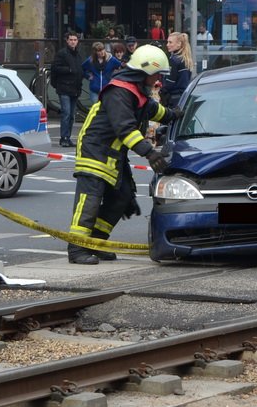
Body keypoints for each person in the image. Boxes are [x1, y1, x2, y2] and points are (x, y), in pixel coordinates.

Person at [67, 44, 182, 264]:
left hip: (112, 154)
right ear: (144, 71)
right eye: (157, 73)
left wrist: (175, 114)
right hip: (95, 151)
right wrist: (150, 153)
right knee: (90, 200)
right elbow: (125, 128)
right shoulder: (119, 92)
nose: (158, 79)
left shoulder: (136, 91)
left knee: (122, 197)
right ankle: (77, 249)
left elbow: (154, 110)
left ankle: (97, 242)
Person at [51, 32, 84, 147]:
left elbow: (80, 70)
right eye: (71, 39)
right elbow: (55, 68)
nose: (73, 41)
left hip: (75, 88)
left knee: (71, 115)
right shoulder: (62, 53)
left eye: (75, 40)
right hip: (64, 87)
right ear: (67, 40)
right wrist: (69, 70)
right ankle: (64, 137)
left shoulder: (78, 55)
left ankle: (67, 137)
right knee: (66, 113)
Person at [159, 32, 193, 106]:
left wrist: (160, 90)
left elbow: (169, 83)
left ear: (179, 44)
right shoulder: (185, 59)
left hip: (173, 99)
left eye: (170, 42)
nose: (167, 45)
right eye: (167, 42)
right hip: (183, 97)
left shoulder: (174, 60)